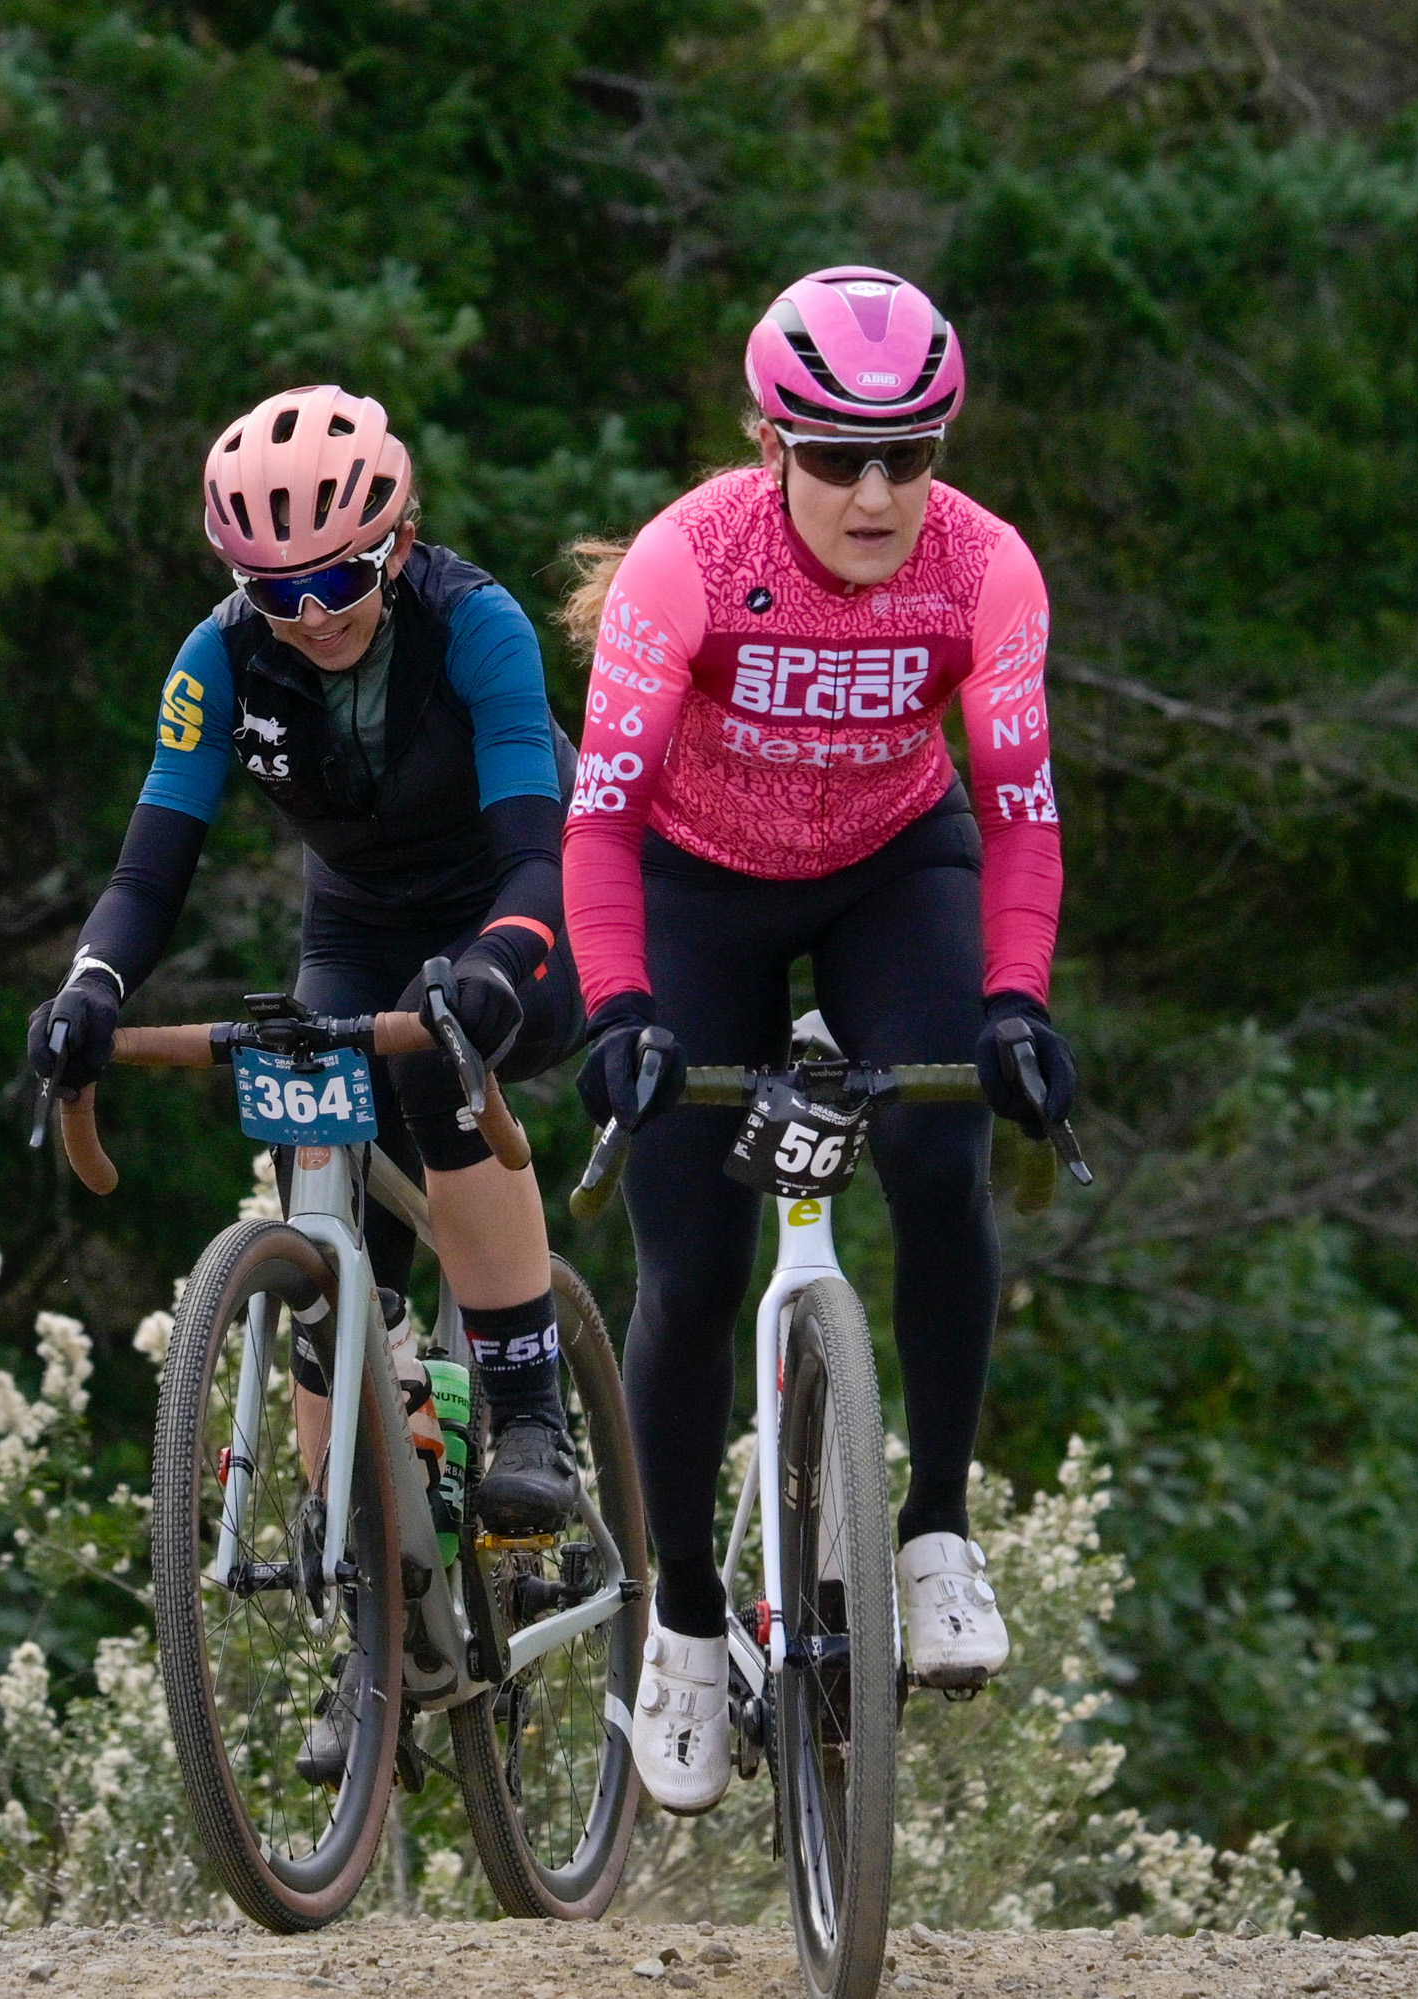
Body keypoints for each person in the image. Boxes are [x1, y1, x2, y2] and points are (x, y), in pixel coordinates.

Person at [560, 267, 1077, 1813]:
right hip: (690, 880)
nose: (873, 491)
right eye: (836, 456)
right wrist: (619, 1011)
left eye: (908, 455)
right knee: (696, 1265)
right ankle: (685, 1624)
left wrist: (1016, 1001)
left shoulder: (987, 572)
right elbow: (595, 823)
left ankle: (932, 1528)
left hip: (887, 869)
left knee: (938, 1142)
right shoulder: (686, 565)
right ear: (768, 441)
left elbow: (1023, 819)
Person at [28, 383, 587, 1566]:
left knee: (440, 1063)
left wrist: (497, 960)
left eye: (337, 579)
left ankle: (533, 1408)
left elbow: (537, 854)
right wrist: (92, 985)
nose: (312, 613)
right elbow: (151, 866)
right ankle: (364, 1571)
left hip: (522, 904)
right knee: (305, 1106)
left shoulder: (475, 623)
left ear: (398, 537)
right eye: (276, 592)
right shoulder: (217, 657)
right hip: (362, 921)